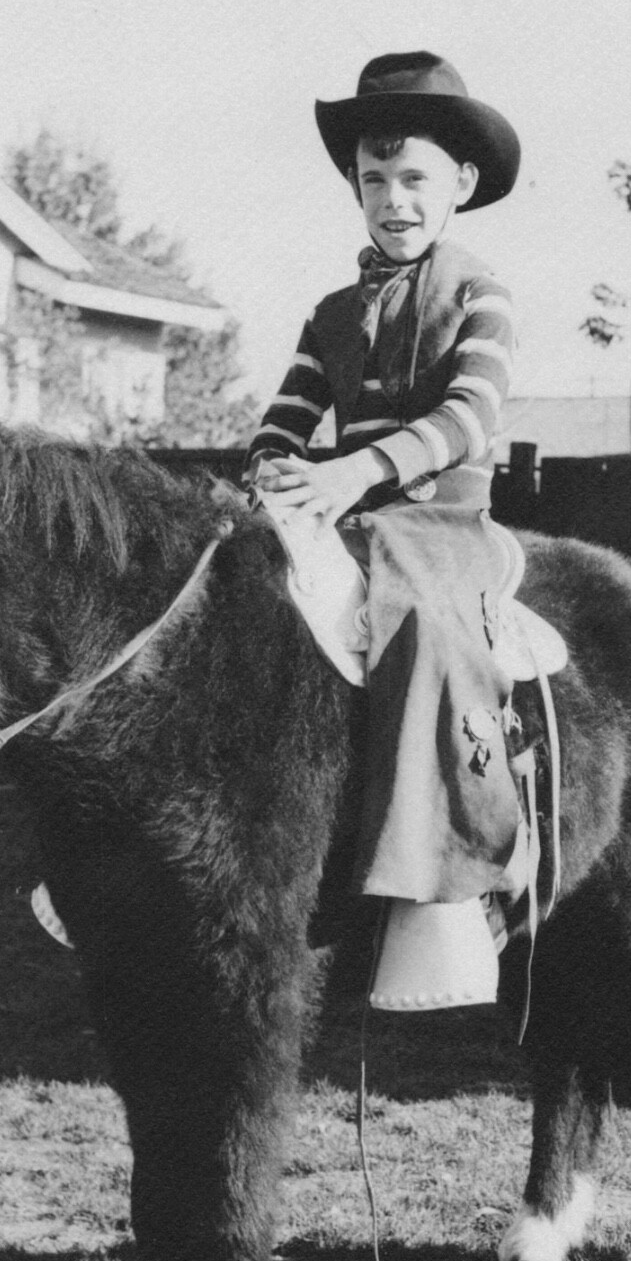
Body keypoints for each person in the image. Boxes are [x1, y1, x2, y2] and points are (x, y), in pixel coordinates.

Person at [247, 51, 527, 1006]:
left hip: (439, 523)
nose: (394, 201)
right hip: (343, 515)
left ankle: (442, 891)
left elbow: (470, 417)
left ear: (461, 184)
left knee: (420, 623)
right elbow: (282, 423)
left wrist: (356, 470)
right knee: (221, 600)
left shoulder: (478, 293)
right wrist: (280, 469)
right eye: (375, 181)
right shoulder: (330, 313)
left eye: (414, 180)